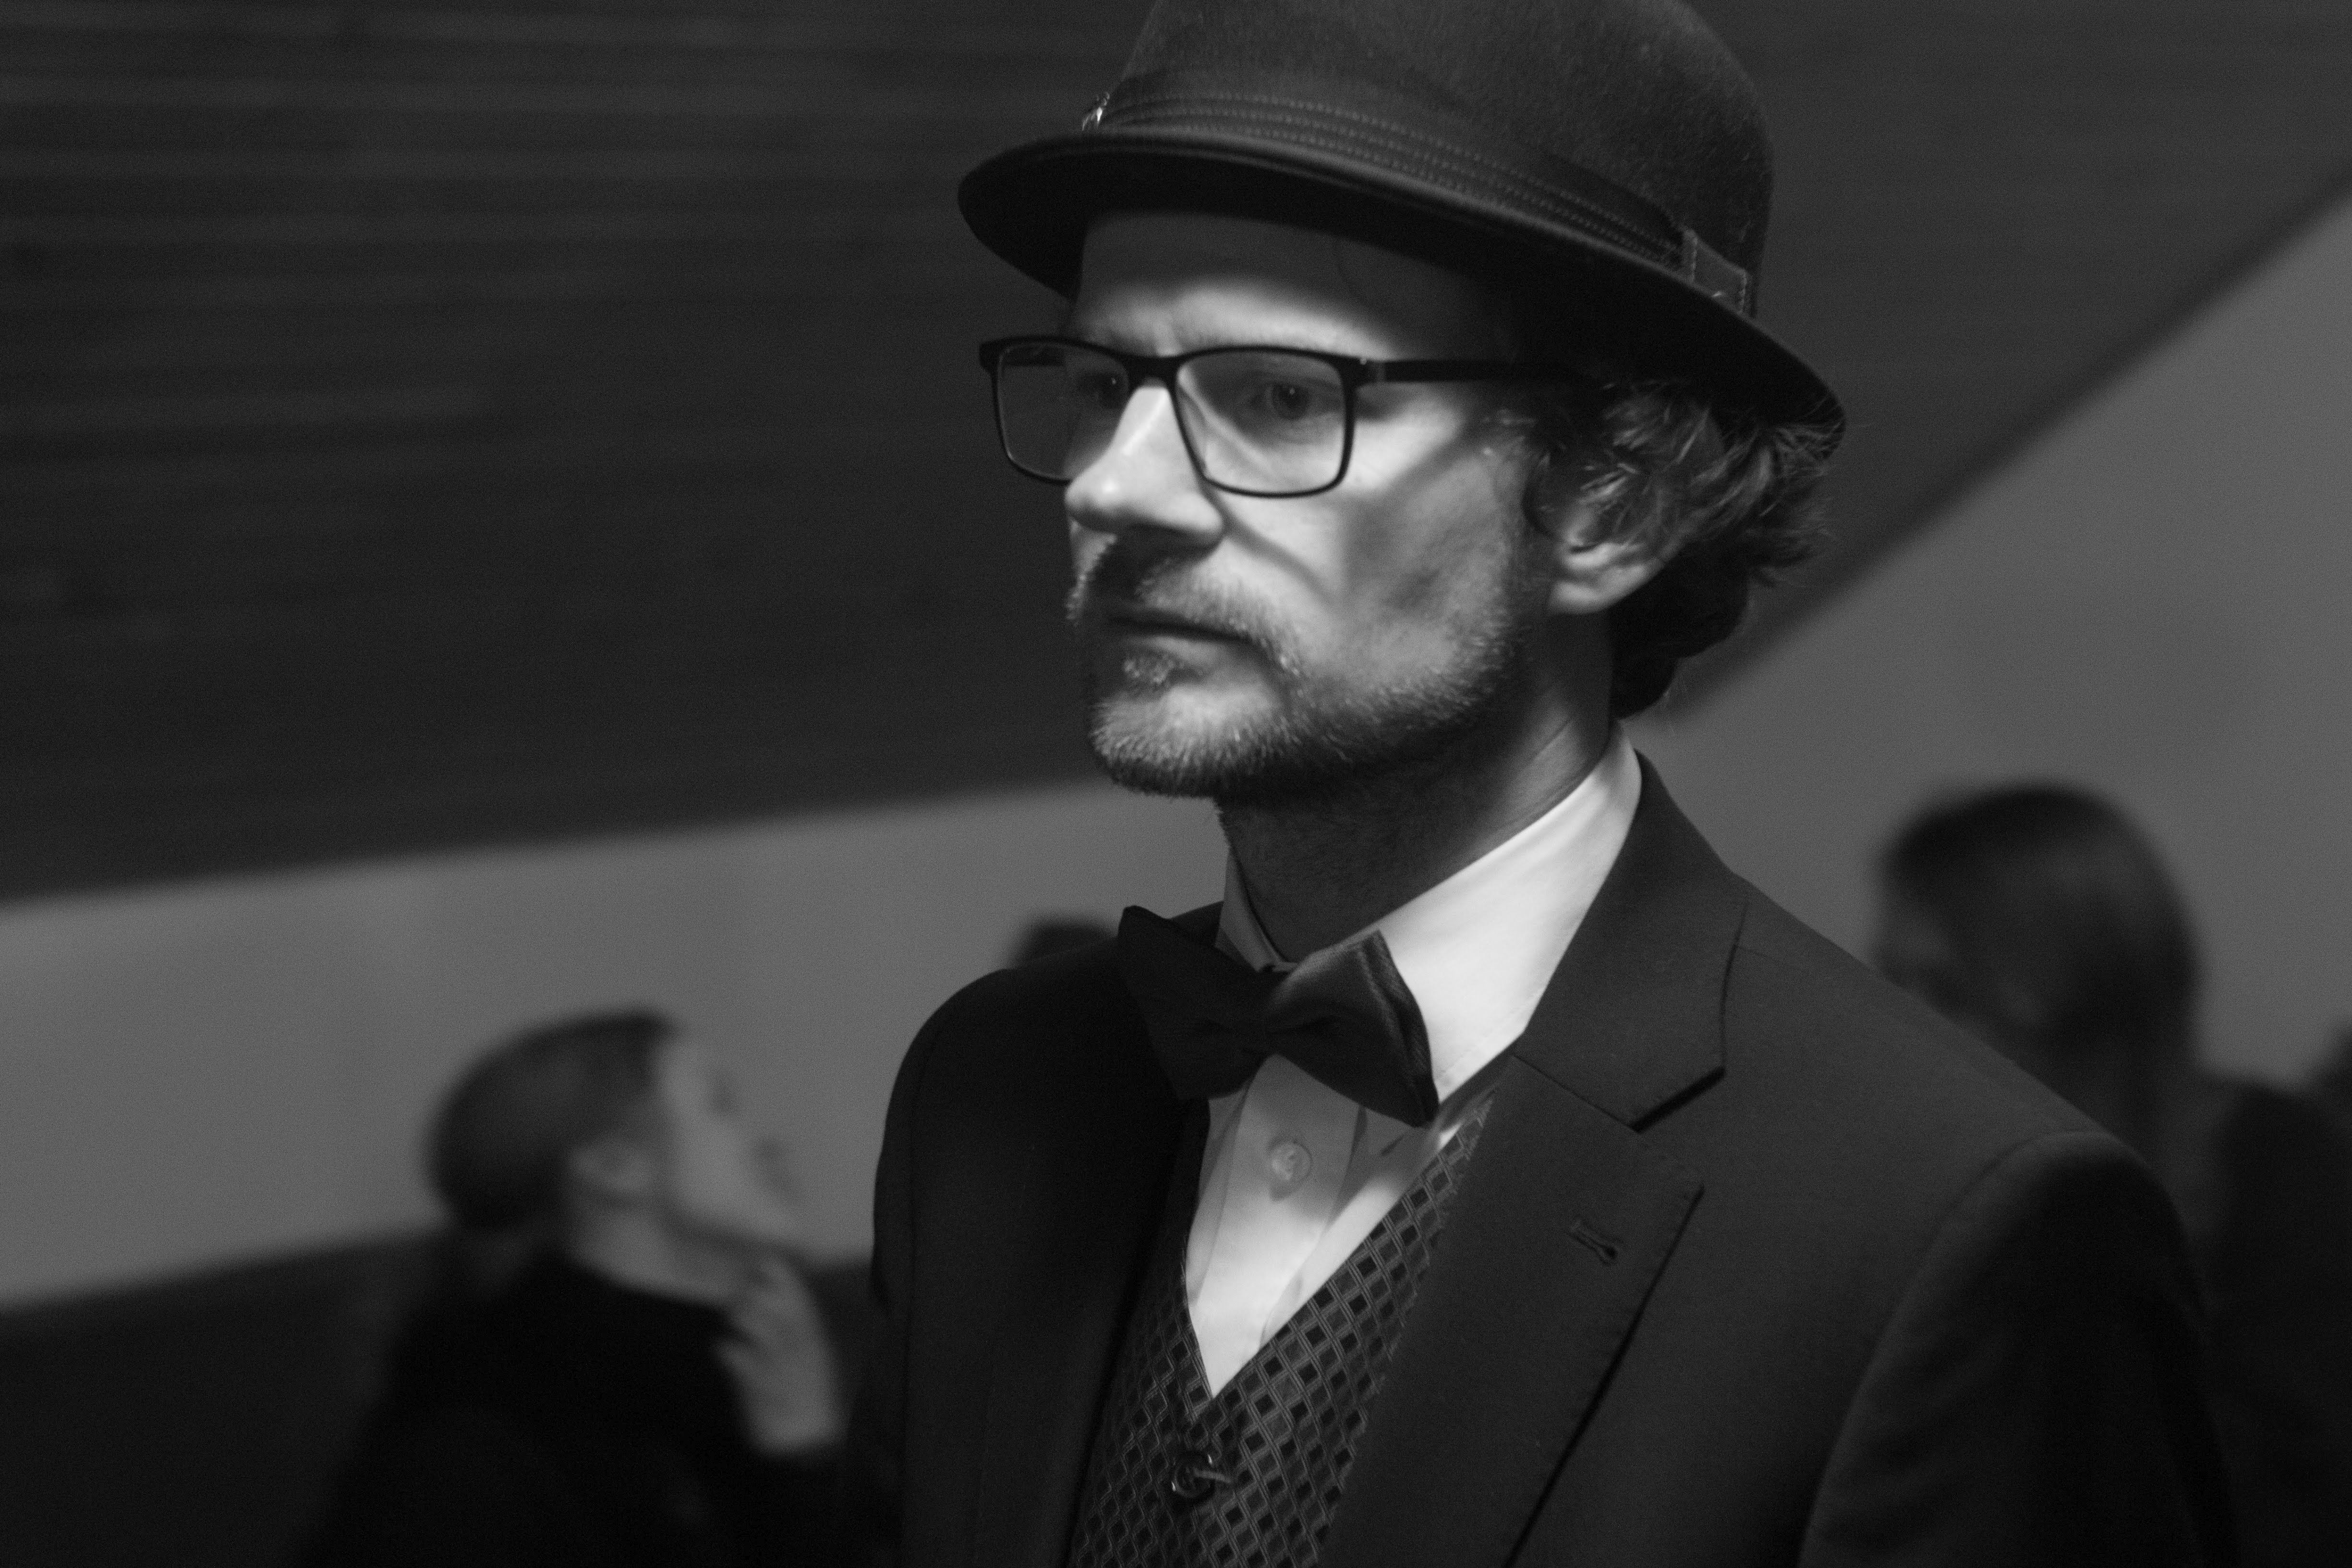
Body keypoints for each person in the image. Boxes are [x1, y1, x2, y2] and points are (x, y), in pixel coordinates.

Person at [843, 0, 2234, 1563]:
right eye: (1102, 383)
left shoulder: (1941, 1229)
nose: (1115, 485)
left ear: (1609, 504)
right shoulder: (987, 1096)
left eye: (1279, 393)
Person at [1877, 785, 2352, 1568]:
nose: (1904, 1025)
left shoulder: (2268, 1164)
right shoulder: (1919, 1188)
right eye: (1890, 981)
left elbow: (2293, 1496)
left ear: (2072, 986)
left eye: (1949, 990)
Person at [305, 1009, 845, 1568]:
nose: (765, 1145)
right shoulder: (471, 1451)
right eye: (720, 1105)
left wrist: (803, 1460)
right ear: (613, 1165)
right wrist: (802, 1473)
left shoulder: (751, 1381)